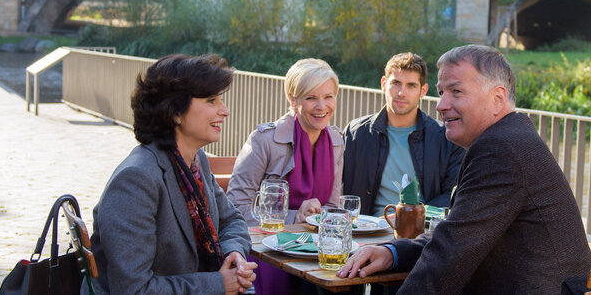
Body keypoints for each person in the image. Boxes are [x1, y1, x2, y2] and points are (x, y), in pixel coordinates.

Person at [337, 44, 591, 294]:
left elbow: (449, 254)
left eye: (456, 92)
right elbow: (457, 231)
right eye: (441, 93)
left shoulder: (500, 148)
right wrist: (392, 252)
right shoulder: (508, 138)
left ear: (497, 98)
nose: (441, 105)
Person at [89, 54, 256, 294]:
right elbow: (133, 289)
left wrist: (234, 254)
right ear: (175, 112)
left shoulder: (195, 163)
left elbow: (231, 220)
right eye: (211, 100)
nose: (225, 110)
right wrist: (218, 284)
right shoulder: (135, 181)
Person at [226, 58, 345, 295]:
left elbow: (331, 205)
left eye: (329, 96)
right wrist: (294, 217)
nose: (322, 106)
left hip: (312, 249)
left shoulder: (336, 141)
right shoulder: (265, 139)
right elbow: (235, 207)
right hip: (267, 249)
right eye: (311, 98)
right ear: (293, 100)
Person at [343, 52, 463, 217]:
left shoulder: (446, 138)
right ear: (384, 84)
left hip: (419, 233)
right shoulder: (356, 133)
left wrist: (411, 216)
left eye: (411, 85)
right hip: (366, 229)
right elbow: (336, 187)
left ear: (423, 90)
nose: (401, 93)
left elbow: (453, 195)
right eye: (396, 83)